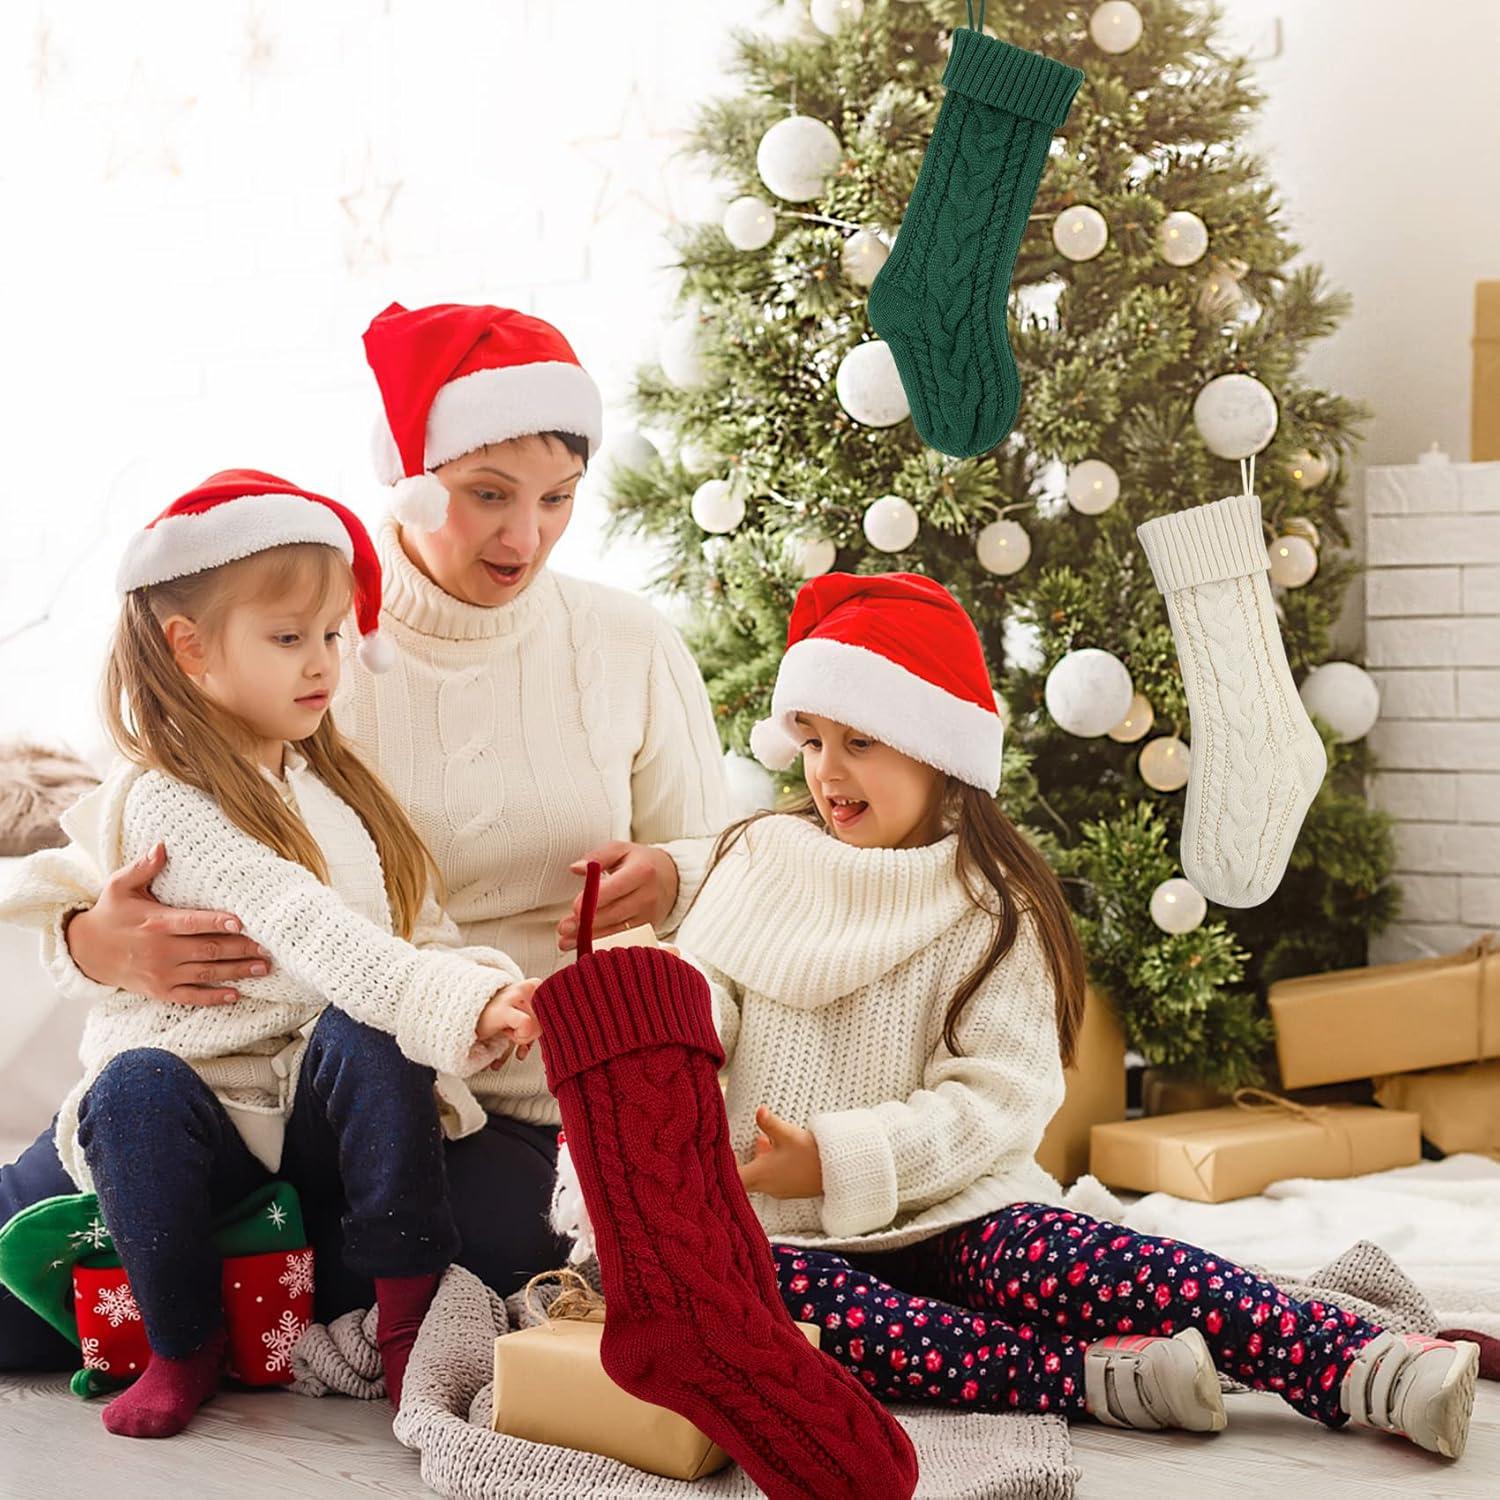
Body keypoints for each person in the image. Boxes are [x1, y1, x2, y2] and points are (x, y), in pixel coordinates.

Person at [559, 571, 1478, 1461]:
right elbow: (706, 991)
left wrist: (840, 1156)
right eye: (811, 742)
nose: (827, 772)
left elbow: (998, 1100)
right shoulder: (761, 857)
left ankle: (1364, 1364)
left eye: (861, 743)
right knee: (763, 1304)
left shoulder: (995, 910)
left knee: (1115, 1266)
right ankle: (1080, 1378)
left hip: (961, 1215)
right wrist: (650, 1028)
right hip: (788, 1236)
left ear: (937, 750)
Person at [0, 302, 729, 1372]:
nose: (523, 537)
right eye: (488, 497)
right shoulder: (300, 622)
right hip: (243, 1078)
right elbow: (111, 844)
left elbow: (738, 872)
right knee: (19, 1297)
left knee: (480, 1254)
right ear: (416, 476)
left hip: (490, 1096)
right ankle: (196, 1270)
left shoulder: (628, 645)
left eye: (558, 501)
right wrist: (88, 942)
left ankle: (216, 1294)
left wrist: (673, 873)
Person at [0, 472, 542, 1434]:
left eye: (333, 636)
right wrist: (451, 1006)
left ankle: (408, 1321)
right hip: (200, 1109)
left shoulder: (333, 787)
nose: (323, 665)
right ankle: (181, 1341)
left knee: (372, 1033)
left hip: (313, 1111)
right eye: (290, 640)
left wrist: (483, 997)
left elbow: (415, 936)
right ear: (191, 648)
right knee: (134, 1091)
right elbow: (303, 922)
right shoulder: (171, 796)